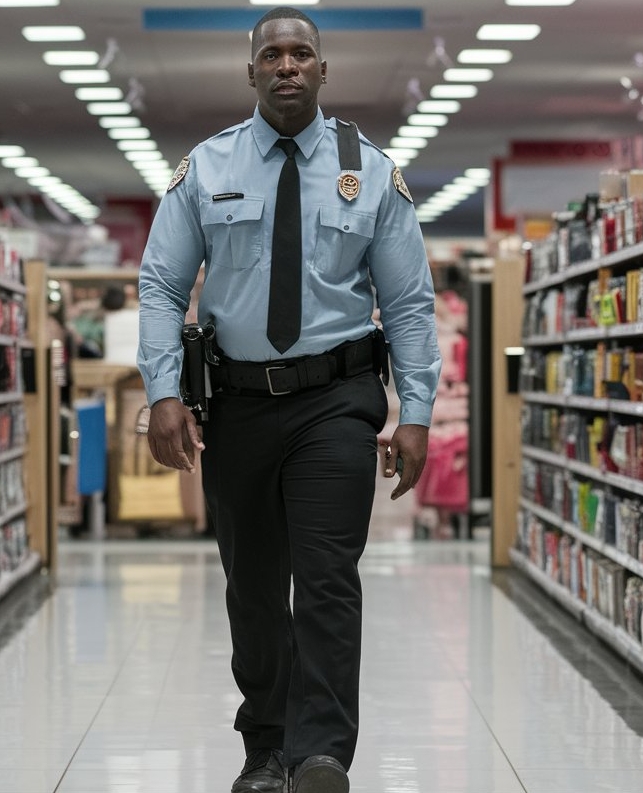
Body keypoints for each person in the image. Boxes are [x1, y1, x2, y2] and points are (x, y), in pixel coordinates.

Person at [136, 7, 441, 793]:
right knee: (254, 584)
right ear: (250, 72)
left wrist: (415, 413)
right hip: (236, 405)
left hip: (336, 400)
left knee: (329, 576)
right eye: (270, 54)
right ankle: (265, 745)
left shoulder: (368, 170)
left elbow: (408, 303)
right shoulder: (206, 167)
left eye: (301, 53)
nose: (286, 65)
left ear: (322, 70)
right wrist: (164, 391)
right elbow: (162, 285)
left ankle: (320, 753)